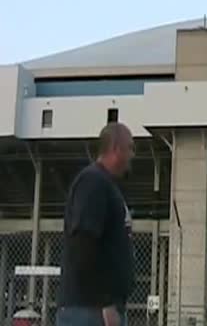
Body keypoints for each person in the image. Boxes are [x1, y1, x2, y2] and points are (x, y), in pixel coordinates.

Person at [56, 123, 136, 326]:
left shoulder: (106, 185)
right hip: (89, 311)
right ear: (116, 148)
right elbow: (83, 245)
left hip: (97, 310)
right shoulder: (93, 182)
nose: (133, 155)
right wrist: (105, 303)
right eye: (130, 148)